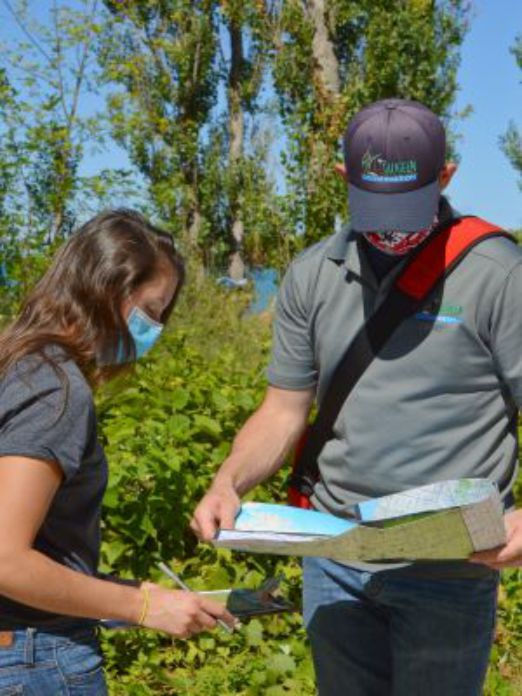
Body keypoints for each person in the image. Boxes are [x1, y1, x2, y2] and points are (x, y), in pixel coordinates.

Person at [192, 99, 522, 695]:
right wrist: (228, 481)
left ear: (445, 177)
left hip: (450, 570)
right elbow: (282, 410)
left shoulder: (499, 275)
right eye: (373, 206)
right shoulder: (312, 274)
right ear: (344, 179)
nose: (390, 227)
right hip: (334, 557)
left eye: (408, 205)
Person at [0, 210, 235, 695]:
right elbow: (6, 560)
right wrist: (145, 610)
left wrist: (133, 593)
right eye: (151, 310)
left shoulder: (19, 366)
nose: (155, 328)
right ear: (106, 290)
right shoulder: (55, 389)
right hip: (35, 658)